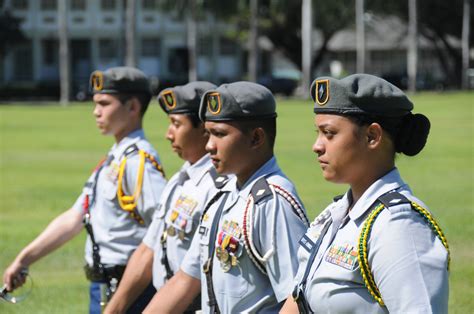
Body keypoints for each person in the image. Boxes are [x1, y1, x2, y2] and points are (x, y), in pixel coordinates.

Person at [2, 67, 167, 313]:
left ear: (132, 107)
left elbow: (165, 233)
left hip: (132, 291)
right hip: (103, 285)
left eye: (104, 103)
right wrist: (25, 258)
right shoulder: (115, 158)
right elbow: (76, 216)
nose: (95, 112)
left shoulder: (138, 164)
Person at [282, 74, 450, 313]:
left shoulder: (400, 226)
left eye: (329, 133)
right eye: (317, 133)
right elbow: (298, 298)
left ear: (372, 136)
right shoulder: (335, 215)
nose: (317, 145)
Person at [143, 81, 310, 313]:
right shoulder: (223, 194)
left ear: (256, 138)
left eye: (220, 134)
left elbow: (297, 298)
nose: (209, 145)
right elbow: (185, 280)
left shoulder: (273, 202)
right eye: (208, 133)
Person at [104, 81, 227, 313]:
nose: (168, 134)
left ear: (204, 129)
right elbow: (147, 250)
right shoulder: (180, 180)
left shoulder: (218, 188)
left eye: (176, 124)